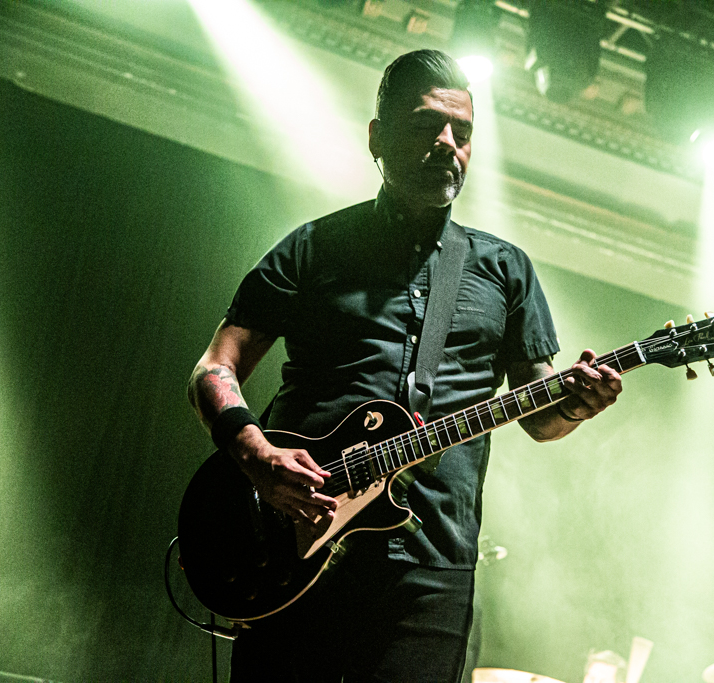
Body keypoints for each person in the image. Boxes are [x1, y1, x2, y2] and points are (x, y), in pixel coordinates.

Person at [187, 49, 622, 682]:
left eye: (462, 132)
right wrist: (258, 457)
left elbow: (540, 417)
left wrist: (577, 405)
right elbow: (214, 368)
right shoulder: (313, 248)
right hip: (291, 536)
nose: (448, 143)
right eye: (425, 126)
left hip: (431, 560)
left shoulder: (505, 269)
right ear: (377, 138)